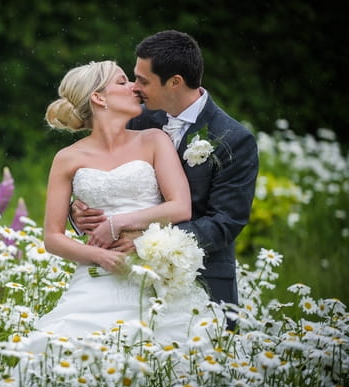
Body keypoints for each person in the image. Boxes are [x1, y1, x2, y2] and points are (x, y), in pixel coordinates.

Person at [27, 60, 221, 353]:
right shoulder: (66, 158)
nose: (134, 87)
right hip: (95, 278)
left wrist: (117, 223)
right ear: (98, 98)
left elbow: (181, 207)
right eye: (122, 82)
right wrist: (98, 256)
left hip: (153, 272)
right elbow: (53, 238)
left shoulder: (154, 139)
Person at [71, 30, 259, 311]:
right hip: (121, 275)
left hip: (198, 278)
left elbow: (225, 223)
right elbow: (100, 170)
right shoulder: (137, 118)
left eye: (143, 80)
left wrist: (148, 244)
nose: (135, 87)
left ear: (175, 82)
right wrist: (79, 210)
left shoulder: (233, 139)